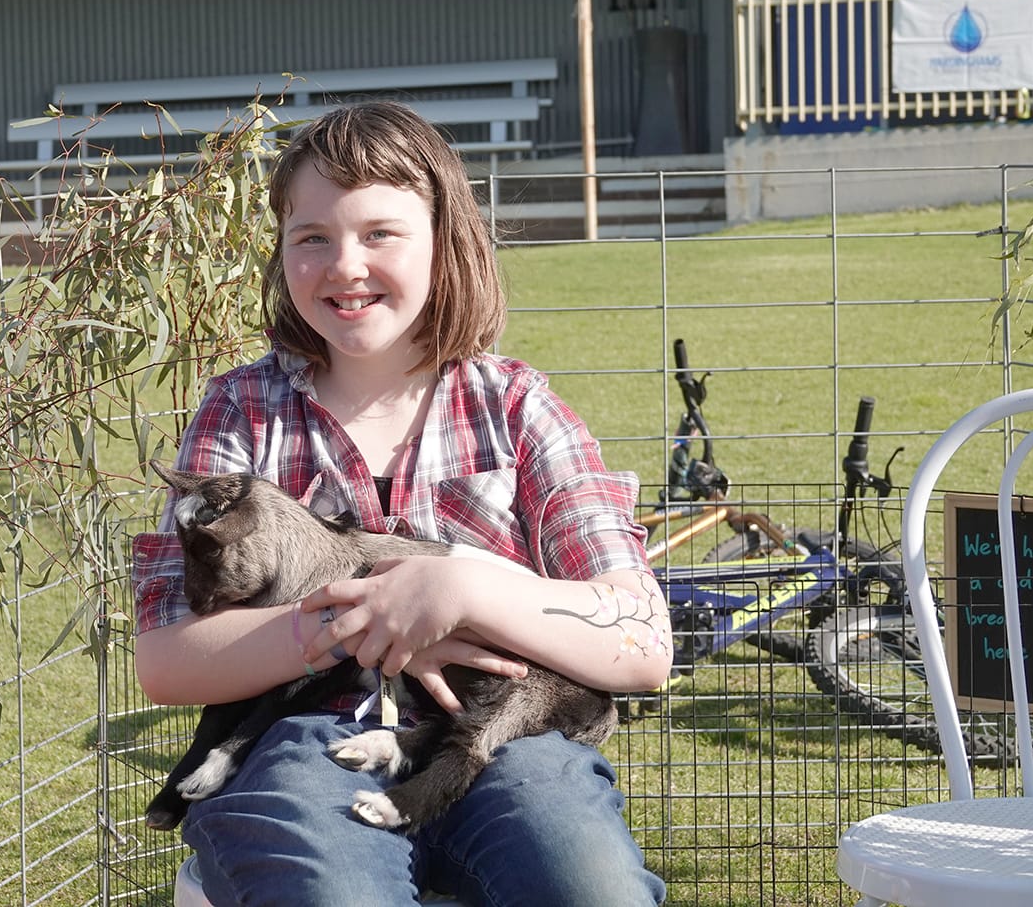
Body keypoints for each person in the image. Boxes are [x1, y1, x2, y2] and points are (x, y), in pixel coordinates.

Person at [132, 100, 670, 906]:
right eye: (311, 237)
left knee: (588, 885)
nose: (344, 264)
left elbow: (643, 639)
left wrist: (464, 589)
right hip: (302, 746)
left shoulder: (517, 409)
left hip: (500, 744)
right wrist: (363, 624)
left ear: (444, 244)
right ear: (282, 254)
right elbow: (168, 656)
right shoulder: (243, 413)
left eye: (380, 233)